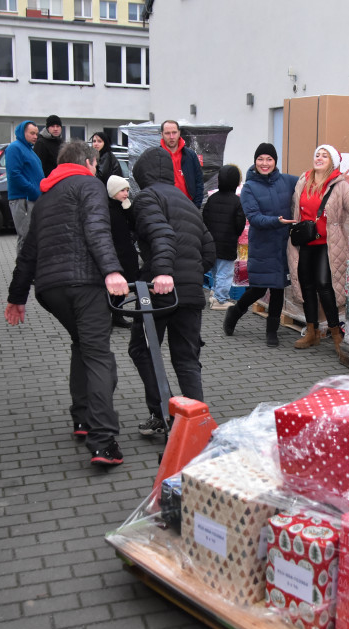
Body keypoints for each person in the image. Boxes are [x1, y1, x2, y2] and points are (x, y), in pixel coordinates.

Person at [4, 141, 130, 467]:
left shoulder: (45, 198)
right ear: (88, 162)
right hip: (85, 284)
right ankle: (102, 443)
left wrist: (17, 296)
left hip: (50, 291)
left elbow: (27, 251)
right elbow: (96, 228)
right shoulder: (90, 185)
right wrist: (112, 270)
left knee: (82, 346)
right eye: (96, 164)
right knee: (99, 356)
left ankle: (82, 419)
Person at [128, 147, 215, 436]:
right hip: (190, 291)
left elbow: (162, 235)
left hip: (161, 287)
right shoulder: (187, 202)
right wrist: (191, 274)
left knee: (142, 349)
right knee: (187, 358)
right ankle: (196, 424)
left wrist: (164, 271)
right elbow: (209, 249)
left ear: (143, 174)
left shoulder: (147, 198)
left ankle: (161, 413)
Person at [223, 143, 298, 347]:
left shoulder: (287, 180)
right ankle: (235, 312)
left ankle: (272, 331)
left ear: (275, 162)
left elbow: (310, 183)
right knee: (257, 288)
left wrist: (337, 179)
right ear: (255, 161)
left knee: (278, 288)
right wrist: (277, 221)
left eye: (269, 159)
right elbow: (254, 218)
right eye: (260, 159)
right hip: (263, 244)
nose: (265, 163)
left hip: (283, 244)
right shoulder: (249, 187)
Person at [287, 144, 349, 356]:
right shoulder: (303, 180)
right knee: (307, 286)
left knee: (326, 287)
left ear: (333, 162)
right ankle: (312, 331)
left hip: (329, 245)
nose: (319, 158)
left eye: (324, 156)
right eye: (317, 154)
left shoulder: (340, 184)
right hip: (305, 242)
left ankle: (336, 334)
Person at [202, 164, 246, 310]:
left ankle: (214, 293)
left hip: (212, 242)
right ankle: (220, 300)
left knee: (215, 270)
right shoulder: (236, 201)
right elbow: (240, 222)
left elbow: (205, 217)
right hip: (228, 243)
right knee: (225, 273)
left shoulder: (212, 198)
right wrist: (236, 233)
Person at [106, 174, 140, 329]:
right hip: (114, 253)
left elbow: (134, 226)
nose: (126, 193)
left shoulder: (125, 206)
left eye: (127, 190)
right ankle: (108, 316)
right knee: (112, 289)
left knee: (125, 286)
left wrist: (128, 209)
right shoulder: (107, 208)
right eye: (122, 191)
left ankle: (117, 315)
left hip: (126, 253)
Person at [6, 120, 44, 252]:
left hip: (32, 198)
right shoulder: (14, 148)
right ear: (23, 133)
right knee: (26, 237)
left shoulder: (29, 150)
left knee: (32, 237)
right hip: (23, 199)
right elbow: (14, 174)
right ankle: (22, 270)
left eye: (36, 134)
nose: (35, 136)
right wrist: (33, 191)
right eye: (32, 133)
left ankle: (29, 269)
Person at [159, 120, 204, 207]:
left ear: (179, 133)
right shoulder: (156, 156)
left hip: (189, 207)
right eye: (167, 133)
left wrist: (196, 205)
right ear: (162, 134)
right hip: (166, 208)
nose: (171, 136)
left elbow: (199, 181)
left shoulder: (190, 155)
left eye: (174, 132)